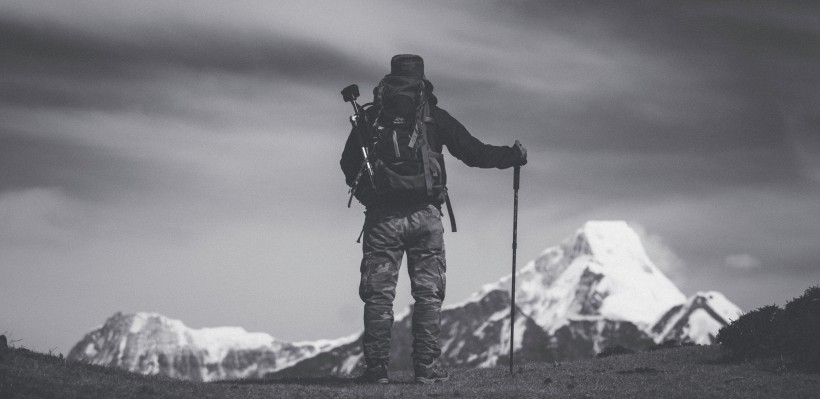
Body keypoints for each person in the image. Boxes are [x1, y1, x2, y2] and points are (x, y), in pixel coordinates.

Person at [340, 54, 527, 384]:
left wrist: (373, 199)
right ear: (422, 78)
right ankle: (426, 370)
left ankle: (376, 371)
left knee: (379, 297)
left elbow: (347, 164)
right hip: (426, 217)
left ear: (391, 77)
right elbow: (474, 153)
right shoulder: (432, 118)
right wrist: (512, 156)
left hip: (383, 219)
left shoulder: (371, 117)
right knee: (427, 296)